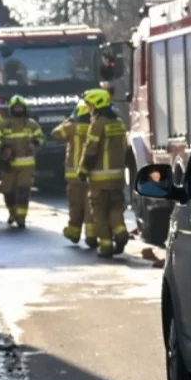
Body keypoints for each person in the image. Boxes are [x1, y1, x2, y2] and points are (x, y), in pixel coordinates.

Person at [78, 88, 130, 256]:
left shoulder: (97, 123)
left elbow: (91, 150)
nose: (90, 109)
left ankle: (106, 246)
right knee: (116, 207)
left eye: (90, 105)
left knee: (99, 212)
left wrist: (82, 170)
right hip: (118, 178)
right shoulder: (119, 122)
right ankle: (121, 232)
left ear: (97, 104)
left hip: (99, 179)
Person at [0, 96, 42, 229]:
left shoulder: (31, 124)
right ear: (11, 109)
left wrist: (34, 143)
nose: (18, 109)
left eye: (20, 107)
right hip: (9, 165)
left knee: (23, 191)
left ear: (24, 109)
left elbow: (41, 137)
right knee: (7, 191)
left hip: (26, 164)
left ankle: (21, 219)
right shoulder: (4, 124)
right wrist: (3, 149)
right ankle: (12, 213)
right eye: (16, 107)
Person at [55, 96, 94, 244]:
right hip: (92, 174)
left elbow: (55, 134)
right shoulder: (96, 127)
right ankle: (92, 234)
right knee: (91, 205)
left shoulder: (71, 128)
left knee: (76, 205)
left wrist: (69, 120)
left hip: (74, 176)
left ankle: (74, 232)